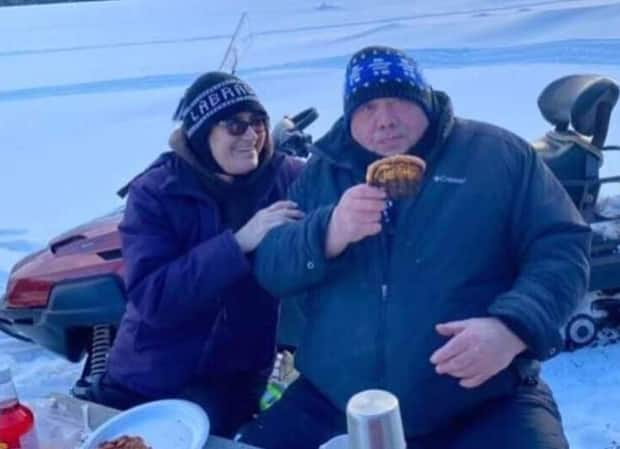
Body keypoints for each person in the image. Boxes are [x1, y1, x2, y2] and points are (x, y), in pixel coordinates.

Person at [238, 46, 591, 449]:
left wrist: (513, 328)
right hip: (337, 403)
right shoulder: (322, 173)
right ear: (350, 116)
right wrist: (328, 232)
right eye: (368, 108)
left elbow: (562, 245)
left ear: (424, 100)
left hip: (484, 401)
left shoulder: (496, 156)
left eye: (397, 101)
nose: (384, 120)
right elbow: (272, 266)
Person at [94, 72, 304, 437]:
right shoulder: (157, 191)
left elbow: (341, 179)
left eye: (257, 122)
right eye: (235, 126)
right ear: (203, 134)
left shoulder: (285, 177)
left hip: (235, 380)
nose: (252, 135)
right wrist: (236, 244)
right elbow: (152, 297)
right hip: (153, 374)